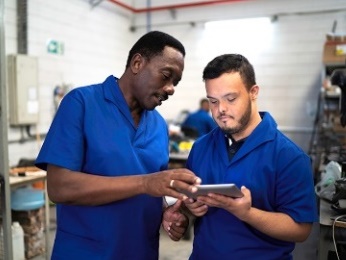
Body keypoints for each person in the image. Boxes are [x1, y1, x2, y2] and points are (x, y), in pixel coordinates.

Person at [35, 31, 201, 259]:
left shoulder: (159, 126)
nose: (171, 88)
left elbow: (152, 190)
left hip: (141, 251)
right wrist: (145, 183)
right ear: (137, 63)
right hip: (87, 252)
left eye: (176, 82)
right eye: (166, 76)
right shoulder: (82, 104)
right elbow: (59, 187)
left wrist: (165, 211)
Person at [182, 54, 318, 259]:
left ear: (253, 92)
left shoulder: (289, 157)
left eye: (231, 99)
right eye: (213, 101)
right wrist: (190, 207)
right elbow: (189, 204)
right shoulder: (201, 147)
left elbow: (301, 230)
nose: (221, 110)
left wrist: (247, 213)